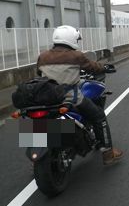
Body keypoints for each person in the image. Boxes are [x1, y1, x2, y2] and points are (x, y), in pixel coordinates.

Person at [36, 25, 123, 166]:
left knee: (38, 124)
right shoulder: (76, 56)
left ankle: (35, 159)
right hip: (69, 97)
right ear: (71, 39)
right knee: (99, 116)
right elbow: (92, 67)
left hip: (46, 98)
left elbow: (39, 74)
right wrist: (105, 67)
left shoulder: (43, 56)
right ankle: (108, 153)